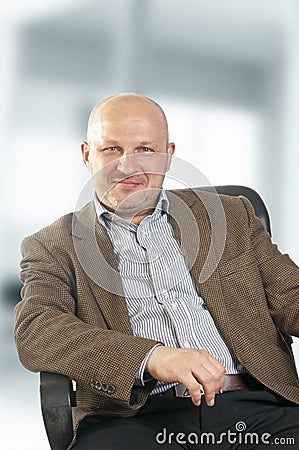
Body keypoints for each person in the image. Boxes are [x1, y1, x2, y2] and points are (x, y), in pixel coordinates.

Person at [14, 93, 299, 449]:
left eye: (145, 149)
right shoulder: (52, 245)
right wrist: (153, 357)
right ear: (87, 155)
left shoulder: (230, 217)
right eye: (111, 150)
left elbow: (292, 296)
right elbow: (37, 330)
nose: (128, 166)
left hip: (258, 409)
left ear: (168, 155)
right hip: (134, 419)